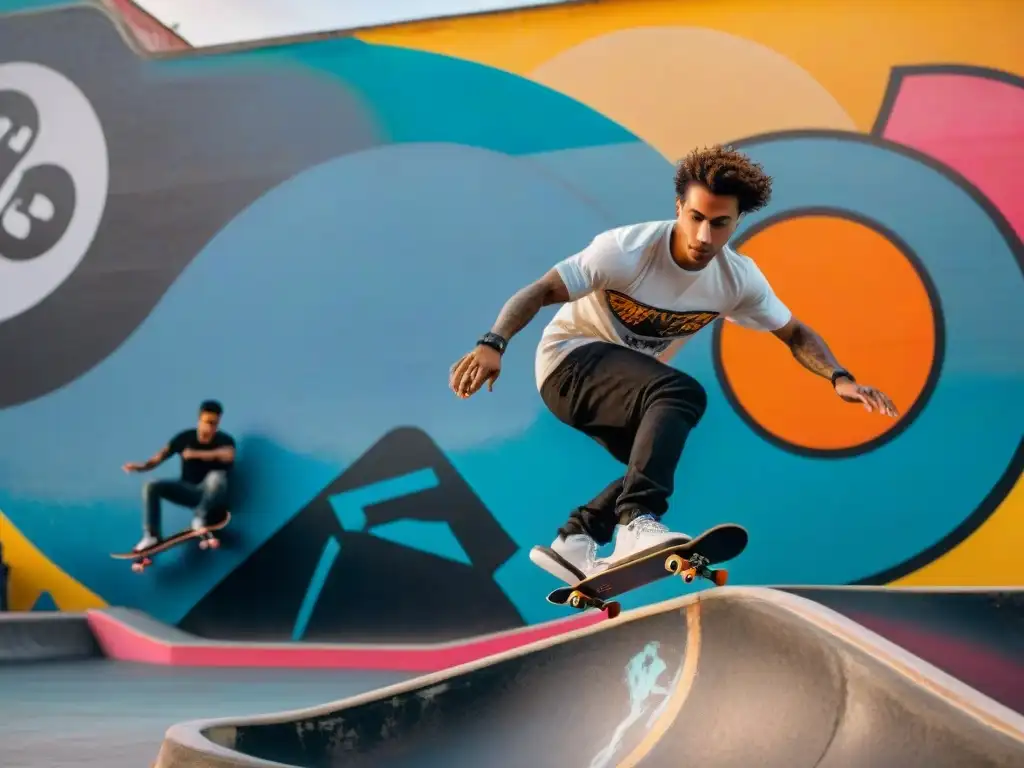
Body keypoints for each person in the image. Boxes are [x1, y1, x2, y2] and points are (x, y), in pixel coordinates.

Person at [448, 144, 898, 585]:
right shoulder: (625, 250)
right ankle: (636, 522)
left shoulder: (738, 280)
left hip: (618, 385)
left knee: (653, 450)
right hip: (568, 362)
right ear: (679, 207)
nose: (704, 237)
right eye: (696, 218)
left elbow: (795, 332)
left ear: (737, 221)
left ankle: (578, 536)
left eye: (720, 224)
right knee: (680, 393)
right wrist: (494, 342)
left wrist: (839, 377)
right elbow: (542, 289)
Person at [122, 399, 236, 551]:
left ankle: (200, 518)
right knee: (151, 485)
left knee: (216, 477)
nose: (211, 428)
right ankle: (151, 535)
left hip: (213, 497)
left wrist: (196, 454)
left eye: (215, 423)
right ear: (199, 419)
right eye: (207, 422)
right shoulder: (184, 438)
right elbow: (158, 458)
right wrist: (141, 467)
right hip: (188, 491)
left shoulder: (225, 441)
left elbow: (228, 455)